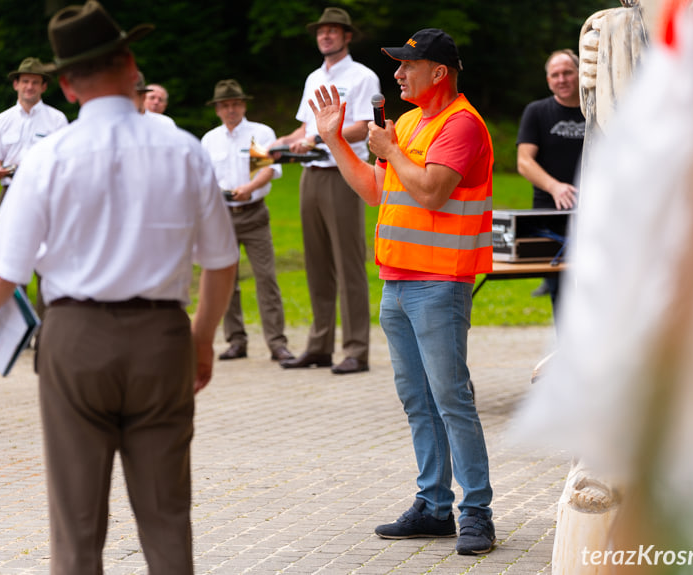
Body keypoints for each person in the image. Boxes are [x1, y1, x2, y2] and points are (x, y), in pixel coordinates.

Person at [0, 1, 238, 573]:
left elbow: (3, 270)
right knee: (166, 518)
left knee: (77, 526)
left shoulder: (49, 156)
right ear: (130, 63)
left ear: (65, 84)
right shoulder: (184, 148)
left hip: (76, 339)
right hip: (162, 336)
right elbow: (221, 263)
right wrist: (202, 338)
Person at [308, 28, 495, 555]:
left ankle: (476, 510)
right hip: (398, 281)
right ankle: (434, 507)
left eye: (407, 66)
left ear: (439, 72)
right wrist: (334, 140)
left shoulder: (462, 125)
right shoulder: (409, 122)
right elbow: (375, 190)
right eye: (397, 66)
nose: (396, 74)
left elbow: (433, 191)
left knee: (451, 398)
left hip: (439, 282)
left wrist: (389, 148)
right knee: (418, 400)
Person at [274, 6, 379, 375]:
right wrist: (276, 143)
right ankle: (319, 346)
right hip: (311, 174)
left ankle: (355, 349)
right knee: (316, 263)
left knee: (348, 263)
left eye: (334, 31)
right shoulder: (313, 78)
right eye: (322, 31)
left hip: (345, 173)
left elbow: (366, 126)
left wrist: (322, 136)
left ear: (347, 36)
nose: (326, 36)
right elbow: (303, 132)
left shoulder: (363, 76)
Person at [200, 79, 294, 362]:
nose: (231, 109)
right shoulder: (210, 139)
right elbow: (204, 178)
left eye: (236, 104)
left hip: (253, 214)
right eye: (225, 105)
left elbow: (266, 170)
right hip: (222, 216)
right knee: (226, 281)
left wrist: (248, 190)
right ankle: (236, 340)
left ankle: (277, 343)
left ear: (243, 105)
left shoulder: (259, 133)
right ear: (217, 109)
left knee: (266, 279)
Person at [516, 49, 585, 308]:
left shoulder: (598, 110)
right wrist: (554, 187)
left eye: (568, 72)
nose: (562, 79)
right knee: (561, 295)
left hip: (592, 216)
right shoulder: (537, 112)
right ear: (548, 81)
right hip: (550, 218)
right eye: (555, 75)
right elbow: (524, 161)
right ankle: (566, 348)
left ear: (581, 74)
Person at [0, 57, 69, 206]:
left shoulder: (57, 120)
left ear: (44, 87)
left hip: (44, 192)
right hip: (10, 192)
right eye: (25, 81)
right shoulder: (1, 120)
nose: (30, 86)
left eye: (35, 82)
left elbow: (64, 162)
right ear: (16, 84)